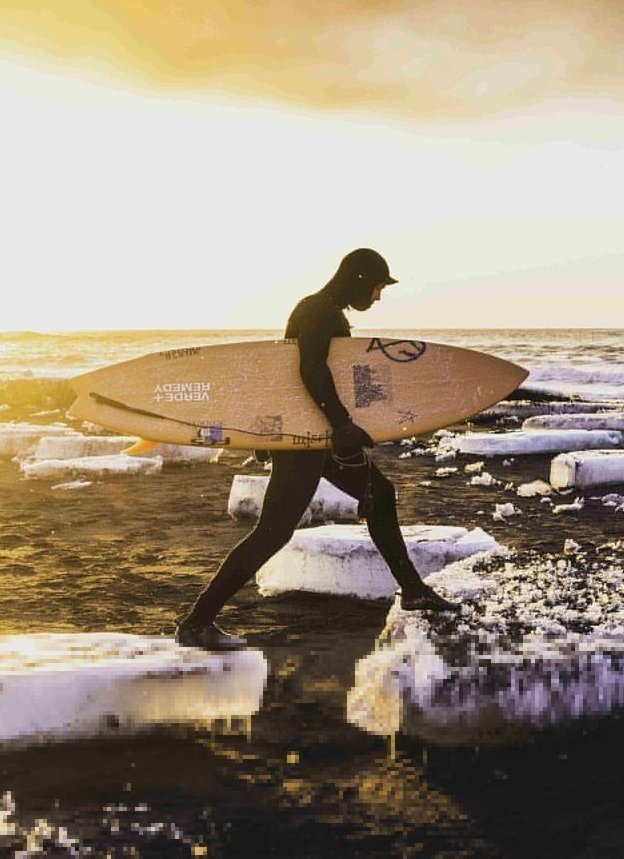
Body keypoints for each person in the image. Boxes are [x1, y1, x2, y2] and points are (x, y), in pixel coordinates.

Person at [176, 248, 455, 651]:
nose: (378, 297)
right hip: (312, 439)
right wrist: (339, 426)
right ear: (359, 280)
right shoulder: (320, 312)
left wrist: (275, 432)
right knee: (273, 533)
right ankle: (197, 623)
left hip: (313, 434)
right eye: (377, 287)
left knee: (379, 496)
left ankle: (414, 591)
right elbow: (308, 370)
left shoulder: (315, 309)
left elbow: (284, 376)